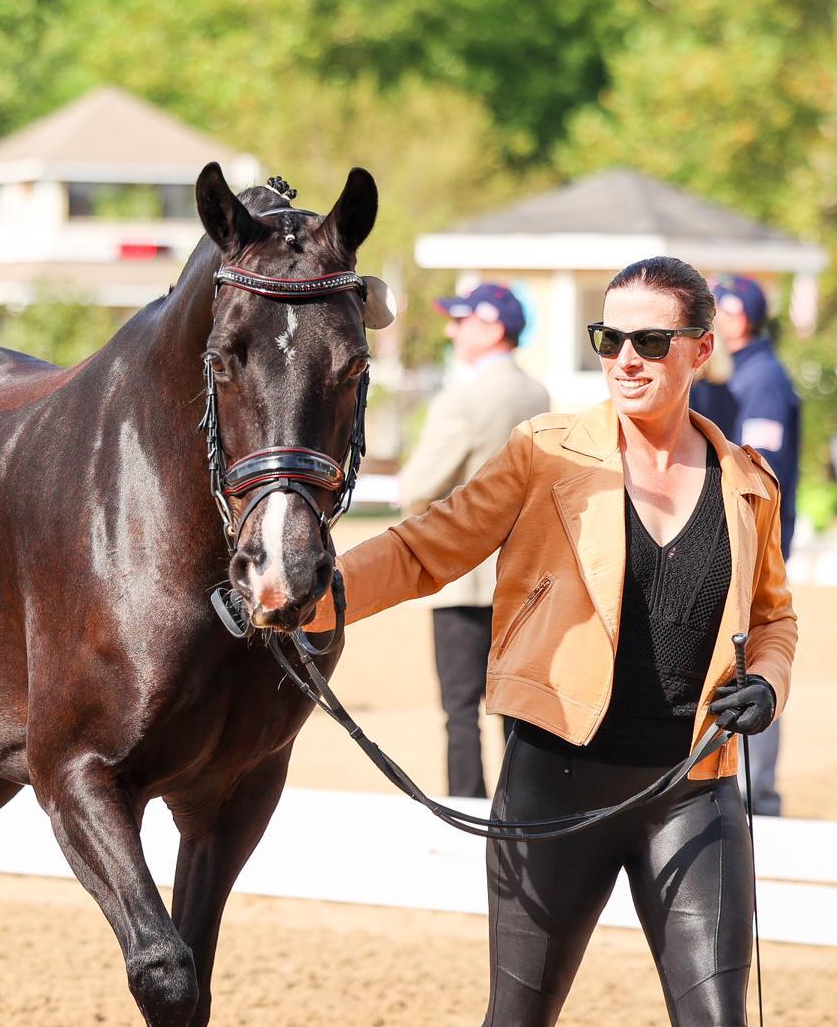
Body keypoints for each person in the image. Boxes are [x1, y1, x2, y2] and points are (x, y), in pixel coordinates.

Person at [306, 256, 796, 1026]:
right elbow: (423, 549)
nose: (625, 359)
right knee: (518, 1019)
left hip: (697, 789)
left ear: (701, 349)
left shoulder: (748, 483)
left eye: (651, 341)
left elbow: (773, 618)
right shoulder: (547, 452)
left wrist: (766, 683)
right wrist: (313, 600)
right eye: (608, 339)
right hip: (554, 782)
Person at [401, 283, 551, 798]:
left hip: (463, 574)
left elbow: (417, 486)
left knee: (460, 709)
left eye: (460, 320)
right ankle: (519, 805)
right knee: (516, 706)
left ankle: (466, 802)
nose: (451, 329)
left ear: (490, 329)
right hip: (526, 574)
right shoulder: (539, 394)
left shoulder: (463, 396)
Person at [712, 275, 802, 819]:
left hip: (751, 546)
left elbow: (760, 472)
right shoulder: (737, 372)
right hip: (734, 544)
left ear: (739, 318)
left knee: (752, 665)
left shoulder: (762, 378)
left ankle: (757, 795)